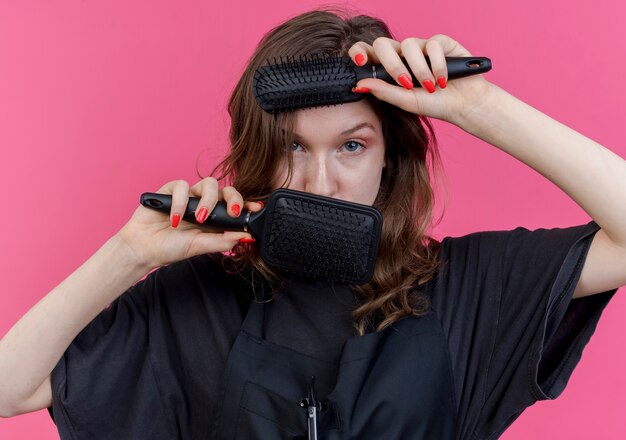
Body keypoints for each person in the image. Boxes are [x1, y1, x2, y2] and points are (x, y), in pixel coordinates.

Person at [0, 8, 624, 440]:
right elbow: (9, 390)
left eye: (352, 146)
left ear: (390, 158)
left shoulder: (472, 289)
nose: (320, 183)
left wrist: (478, 105)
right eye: (293, 148)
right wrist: (129, 254)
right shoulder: (192, 302)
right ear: (256, 155)